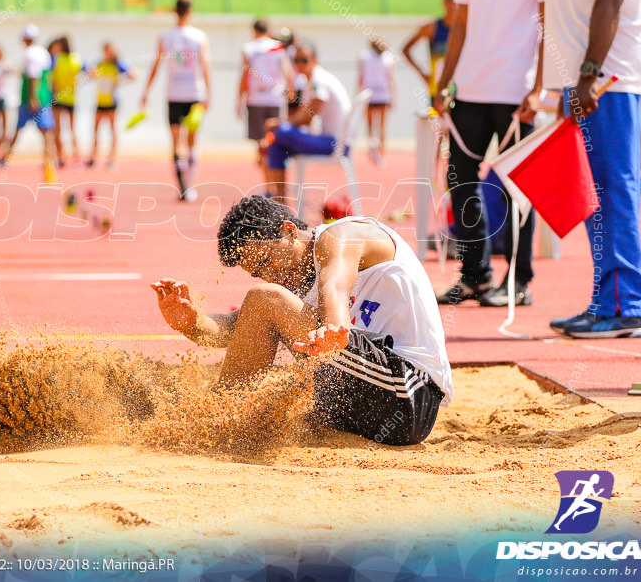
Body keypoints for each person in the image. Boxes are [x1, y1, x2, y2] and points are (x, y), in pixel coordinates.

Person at [150, 195, 452, 446]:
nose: (271, 276)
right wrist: (189, 321)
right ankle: (215, 416)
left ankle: (215, 416)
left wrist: (335, 328)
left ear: (290, 230)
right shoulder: (292, 287)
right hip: (363, 405)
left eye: (267, 261)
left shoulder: (342, 236)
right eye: (259, 272)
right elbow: (234, 330)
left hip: (408, 394)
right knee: (262, 305)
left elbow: (334, 284)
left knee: (264, 298)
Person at [433, 0, 556, 308]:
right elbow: (461, 24)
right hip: (468, 91)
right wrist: (445, 81)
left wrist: (538, 89)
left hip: (516, 94)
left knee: (519, 187)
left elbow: (548, 23)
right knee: (461, 181)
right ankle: (475, 276)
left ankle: (519, 281)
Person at [544, 0, 641, 338]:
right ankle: (606, 302)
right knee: (596, 194)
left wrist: (589, 74)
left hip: (606, 78)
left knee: (612, 189)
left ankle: (627, 307)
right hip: (588, 77)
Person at [141, 0, 212, 202]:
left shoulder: (165, 36)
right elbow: (205, 67)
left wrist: (146, 91)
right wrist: (208, 94)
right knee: (191, 141)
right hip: (195, 94)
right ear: (190, 12)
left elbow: (156, 66)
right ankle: (189, 185)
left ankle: (182, 186)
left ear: (175, 11)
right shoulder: (200, 36)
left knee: (176, 142)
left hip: (174, 94)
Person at [261, 43, 351, 201]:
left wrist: (278, 124)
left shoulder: (319, 80)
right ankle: (281, 206)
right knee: (277, 147)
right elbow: (303, 119)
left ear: (315, 60)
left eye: (304, 60)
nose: (299, 64)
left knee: (281, 132)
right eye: (296, 60)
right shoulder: (309, 81)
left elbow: (306, 117)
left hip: (335, 143)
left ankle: (280, 203)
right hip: (327, 140)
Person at [5, 24, 55, 168]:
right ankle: (49, 159)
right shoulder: (43, 53)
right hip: (43, 97)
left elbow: (34, 77)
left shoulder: (31, 54)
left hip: (31, 99)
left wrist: (33, 98)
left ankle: (6, 156)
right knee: (45, 131)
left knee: (19, 128)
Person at [238, 19, 293, 142]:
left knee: (258, 136)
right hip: (275, 97)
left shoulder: (249, 48)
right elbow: (287, 70)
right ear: (268, 30)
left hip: (255, 97)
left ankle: (262, 158)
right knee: (274, 134)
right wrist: (291, 88)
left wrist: (240, 99)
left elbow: (245, 75)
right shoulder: (278, 47)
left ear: (254, 31)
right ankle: (269, 157)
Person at [402, 0, 455, 101]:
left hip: (459, 89)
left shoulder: (465, 29)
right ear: (444, 2)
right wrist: (423, 74)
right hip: (437, 89)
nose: (452, 6)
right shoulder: (432, 28)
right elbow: (405, 49)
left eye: (455, 2)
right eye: (449, 1)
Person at [89, 41, 135, 169]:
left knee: (112, 130)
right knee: (95, 130)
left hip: (112, 102)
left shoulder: (118, 65)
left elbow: (133, 74)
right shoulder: (100, 64)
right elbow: (91, 73)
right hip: (100, 101)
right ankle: (93, 157)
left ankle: (111, 158)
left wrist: (119, 81)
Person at [358, 36, 395, 166]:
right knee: (380, 126)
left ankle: (375, 151)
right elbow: (391, 78)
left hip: (373, 94)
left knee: (373, 126)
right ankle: (378, 151)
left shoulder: (366, 56)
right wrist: (393, 96)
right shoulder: (386, 57)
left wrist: (358, 94)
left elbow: (361, 77)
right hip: (380, 94)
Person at [49, 36, 86, 166]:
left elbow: (50, 79)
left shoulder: (56, 59)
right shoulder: (77, 59)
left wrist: (54, 87)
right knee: (72, 129)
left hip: (58, 98)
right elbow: (92, 72)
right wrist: (78, 83)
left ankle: (60, 158)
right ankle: (77, 158)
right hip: (71, 98)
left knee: (58, 130)